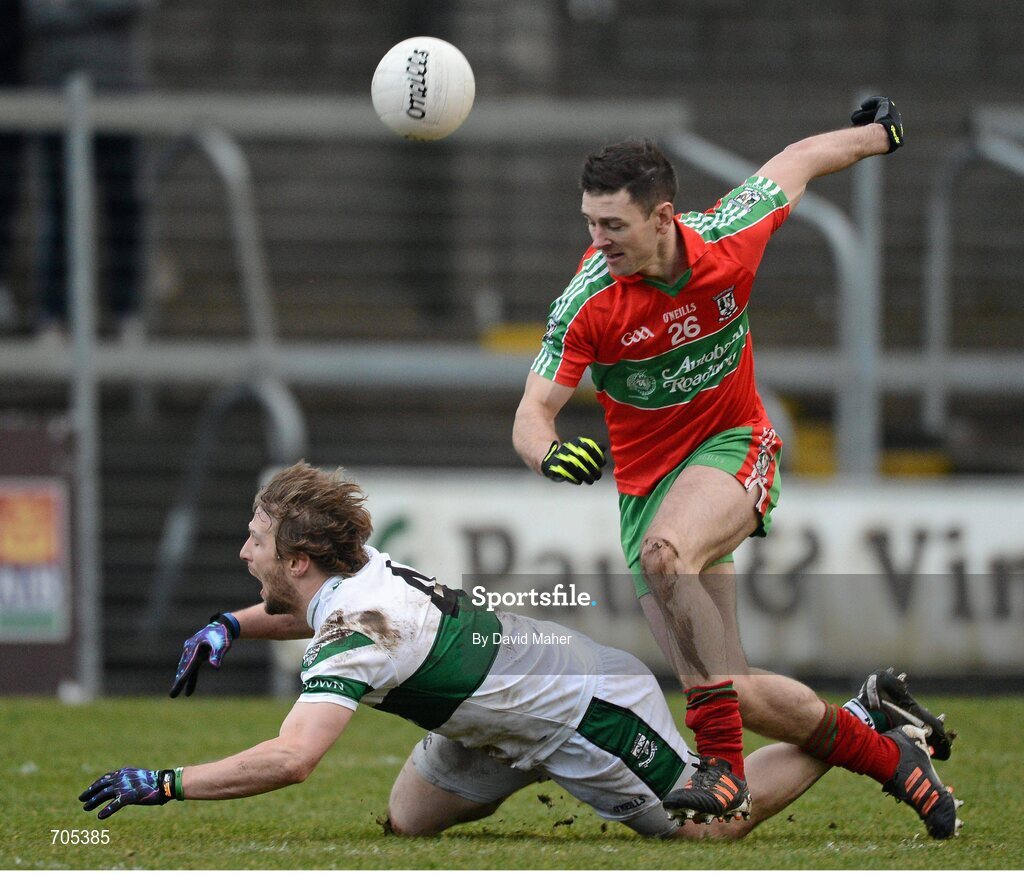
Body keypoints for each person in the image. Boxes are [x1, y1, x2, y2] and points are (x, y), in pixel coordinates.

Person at [79, 462, 960, 839]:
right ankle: (516, 759)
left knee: (710, 826)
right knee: (408, 821)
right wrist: (233, 623)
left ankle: (856, 719)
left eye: (256, 541)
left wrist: (163, 784)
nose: (245, 550)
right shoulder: (355, 580)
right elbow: (313, 616)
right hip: (490, 715)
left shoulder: (356, 626)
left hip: (582, 711)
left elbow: (291, 758)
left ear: (300, 561)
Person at [511, 97, 958, 830]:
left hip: (732, 449)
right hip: (648, 493)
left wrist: (878, 134)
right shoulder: (588, 301)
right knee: (732, 709)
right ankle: (884, 742)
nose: (597, 240)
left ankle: (721, 765)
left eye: (612, 225)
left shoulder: (729, 236)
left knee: (669, 554)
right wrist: (552, 456)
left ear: (662, 218)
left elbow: (799, 160)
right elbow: (532, 414)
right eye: (590, 223)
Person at [24, 0, 153, 340]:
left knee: (125, 204)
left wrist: (72, 7)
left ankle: (128, 311)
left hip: (119, 94)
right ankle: (54, 312)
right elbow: (38, 11)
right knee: (59, 208)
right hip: (58, 93)